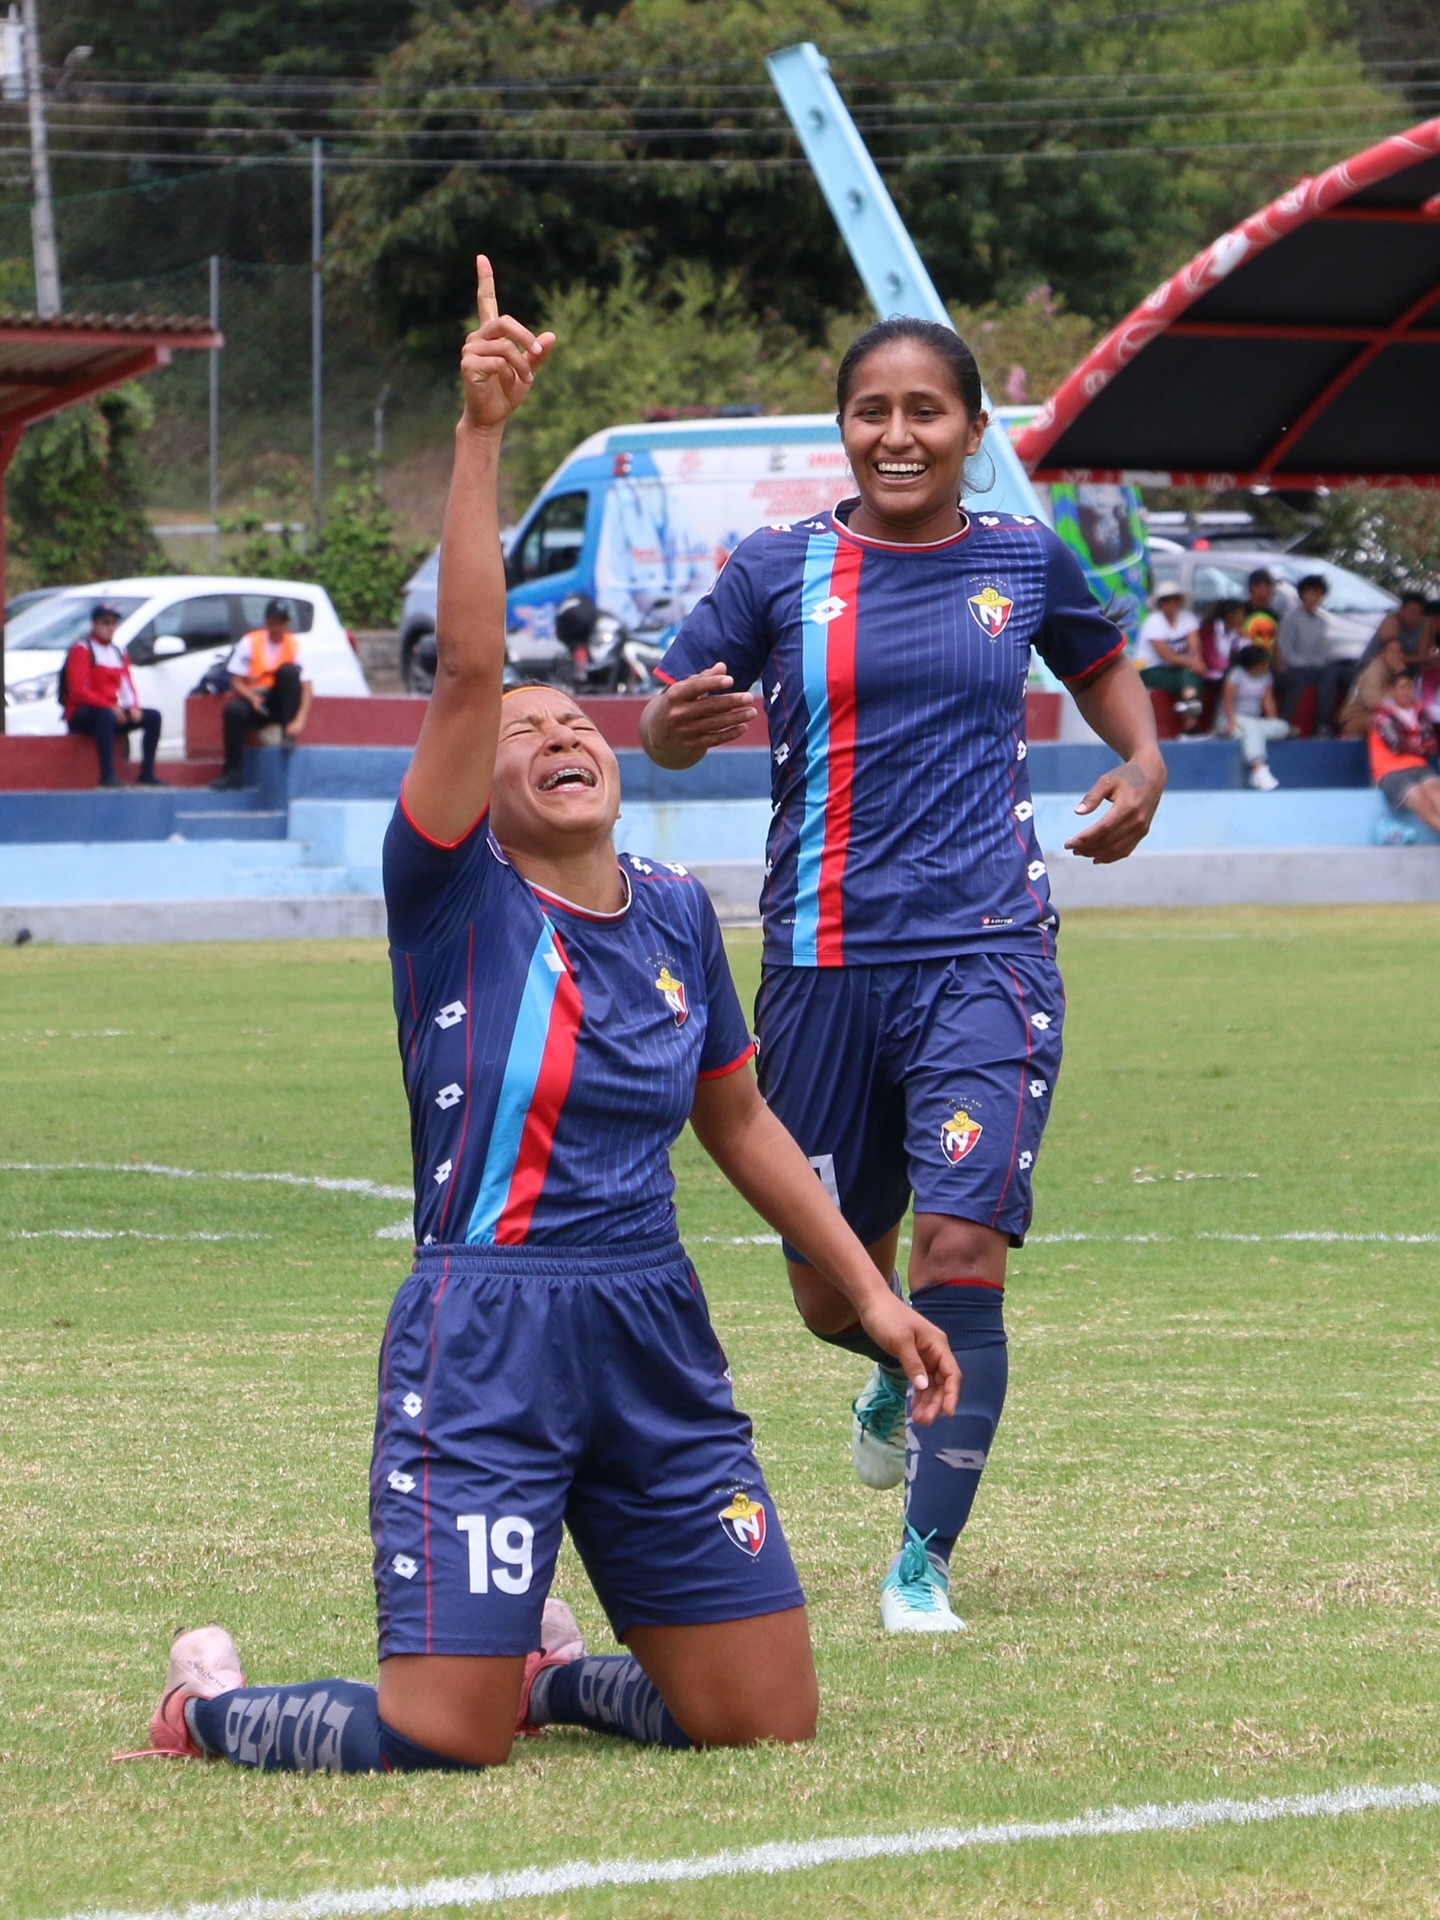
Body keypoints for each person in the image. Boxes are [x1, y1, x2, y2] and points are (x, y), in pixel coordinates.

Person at [130, 260, 957, 1778]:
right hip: (490, 1324)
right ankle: (206, 1705)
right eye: (525, 733)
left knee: (762, 1716)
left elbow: (742, 1122)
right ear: (480, 791)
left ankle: (555, 1676)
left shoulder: (673, 911)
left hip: (650, 1323)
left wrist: (872, 1293)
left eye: (577, 719)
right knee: (442, 1739)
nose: (559, 730)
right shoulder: (451, 897)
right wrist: (481, 434)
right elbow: (465, 679)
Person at [640, 314, 1165, 1635]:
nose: (898, 434)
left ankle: (920, 1564)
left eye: (927, 410)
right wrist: (666, 726)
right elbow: (667, 717)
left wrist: (1142, 763)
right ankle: (883, 1355)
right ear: (844, 429)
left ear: (973, 433)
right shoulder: (778, 568)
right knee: (830, 1285)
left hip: (988, 953)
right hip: (818, 969)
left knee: (962, 1243)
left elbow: (1106, 670)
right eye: (873, 410)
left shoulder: (1023, 561)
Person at [211, 598, 312, 791]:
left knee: (289, 672)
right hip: (256, 699)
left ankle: (287, 734)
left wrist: (299, 720)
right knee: (233, 711)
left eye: (281, 622)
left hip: (279, 702)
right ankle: (233, 773)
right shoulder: (251, 641)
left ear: (287, 623)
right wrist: (252, 697)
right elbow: (235, 681)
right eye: (273, 621)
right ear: (267, 621)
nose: (277, 626)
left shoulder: (295, 646)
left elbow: (307, 686)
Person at [61, 602, 165, 789]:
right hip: (82, 713)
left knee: (152, 717)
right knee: (106, 716)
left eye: (113, 623)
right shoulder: (83, 649)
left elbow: (127, 685)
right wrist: (106, 705)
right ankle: (107, 776)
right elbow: (77, 691)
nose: (110, 627)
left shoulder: (118, 652)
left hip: (110, 712)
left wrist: (133, 706)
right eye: (105, 622)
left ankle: (147, 773)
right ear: (95, 624)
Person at [1369, 669, 1440, 835]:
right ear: (1393, 690)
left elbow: (1431, 746)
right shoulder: (1381, 714)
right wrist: (1417, 741)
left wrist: (1409, 739)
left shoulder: (1421, 713)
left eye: (1410, 687)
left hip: (1420, 767)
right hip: (1391, 771)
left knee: (1436, 794)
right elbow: (1395, 744)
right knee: (1423, 804)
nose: (1407, 691)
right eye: (1402, 687)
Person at [1273, 574, 1341, 735]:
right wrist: (1307, 664)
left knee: (1330, 674)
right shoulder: (1291, 618)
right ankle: (1284, 724)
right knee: (1298, 678)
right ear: (1302, 594)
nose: (1314, 597)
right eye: (1310, 592)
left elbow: (1321, 652)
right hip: (1294, 667)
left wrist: (1318, 664)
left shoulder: (1322, 621)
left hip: (1313, 668)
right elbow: (1285, 651)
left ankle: (1323, 725)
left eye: (1318, 593)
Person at [1135, 583, 1203, 730]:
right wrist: (1193, 662)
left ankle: (1189, 719)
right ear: (1160, 603)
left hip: (1178, 668)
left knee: (1190, 675)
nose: (1171, 603)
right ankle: (1190, 722)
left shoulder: (1187, 618)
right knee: (1190, 676)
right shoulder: (1153, 621)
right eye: (1166, 600)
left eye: (1174, 599)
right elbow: (1165, 655)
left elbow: (1194, 646)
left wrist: (1196, 661)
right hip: (1151, 669)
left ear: (1180, 601)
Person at [1219, 644, 1288, 789]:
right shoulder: (1236, 673)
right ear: (1252, 665)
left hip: (1253, 723)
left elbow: (1268, 700)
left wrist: (1273, 722)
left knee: (1283, 727)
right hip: (1230, 719)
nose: (1266, 666)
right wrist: (1231, 721)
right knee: (1252, 728)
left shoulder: (1267, 676)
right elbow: (1227, 701)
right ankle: (1259, 769)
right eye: (1263, 664)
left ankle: (1257, 772)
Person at [1339, 634, 1406, 739]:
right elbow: (1375, 704)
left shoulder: (1398, 671)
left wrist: (1401, 677)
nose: (1396, 655)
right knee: (1380, 721)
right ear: (1382, 654)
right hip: (1355, 719)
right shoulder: (1372, 672)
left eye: (1399, 651)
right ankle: (1395, 749)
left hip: (1386, 715)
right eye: (1392, 651)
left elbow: (1409, 699)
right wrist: (1396, 691)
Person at [1194, 596, 1244, 732]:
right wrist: (1230, 668)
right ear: (1229, 615)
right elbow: (1210, 658)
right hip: (1208, 672)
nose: (1242, 617)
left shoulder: (1237, 632)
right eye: (1239, 614)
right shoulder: (1209, 630)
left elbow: (1243, 653)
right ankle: (1212, 726)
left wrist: (1242, 638)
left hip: (1226, 672)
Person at [1238, 568, 1282, 658]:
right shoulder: (1239, 611)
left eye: (1271, 587)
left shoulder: (1275, 616)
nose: (1271, 591)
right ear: (1253, 588)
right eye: (1267, 587)